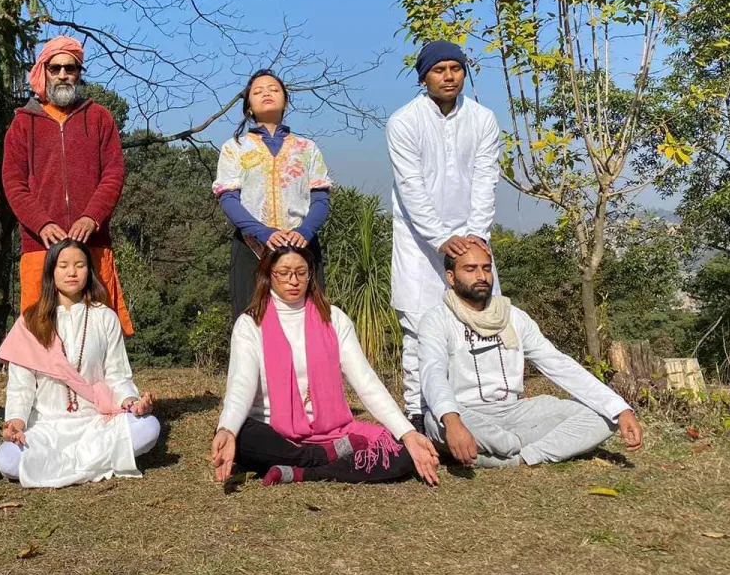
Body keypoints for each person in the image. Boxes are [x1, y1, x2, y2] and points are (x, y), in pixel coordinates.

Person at [210, 245, 441, 486]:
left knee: (402, 455)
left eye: (301, 272)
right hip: (274, 432)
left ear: (310, 276)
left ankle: (304, 471)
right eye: (284, 272)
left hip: (333, 433)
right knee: (245, 437)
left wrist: (407, 432)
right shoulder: (250, 324)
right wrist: (227, 429)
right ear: (269, 275)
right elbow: (241, 385)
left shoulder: (333, 318)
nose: (294, 280)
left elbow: (366, 381)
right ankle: (322, 457)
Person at [418, 240, 643, 468]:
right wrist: (453, 422)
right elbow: (432, 373)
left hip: (516, 412)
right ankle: (508, 446)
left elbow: (557, 363)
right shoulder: (437, 320)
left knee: (604, 417)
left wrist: (619, 408)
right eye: (470, 269)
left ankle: (520, 456)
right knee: (435, 422)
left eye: (486, 268)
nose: (481, 276)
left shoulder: (514, 317)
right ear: (450, 277)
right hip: (466, 413)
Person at [387, 40, 501, 428]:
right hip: (420, 242)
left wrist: (475, 235)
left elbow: (487, 178)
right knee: (419, 327)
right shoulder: (404, 121)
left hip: (472, 240)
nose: (449, 76)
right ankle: (418, 415)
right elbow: (410, 185)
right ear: (424, 77)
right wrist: (439, 238)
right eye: (439, 69)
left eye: (456, 68)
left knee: (479, 320)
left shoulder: (483, 119)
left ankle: (476, 407)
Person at [0, 238, 159, 488]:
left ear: (89, 271)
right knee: (6, 459)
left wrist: (132, 403)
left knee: (148, 427)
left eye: (80, 265)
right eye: (63, 266)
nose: (72, 272)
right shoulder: (30, 322)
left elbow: (117, 375)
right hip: (48, 425)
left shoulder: (105, 317)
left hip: (96, 422)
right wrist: (16, 422)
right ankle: (94, 463)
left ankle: (57, 466)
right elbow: (21, 387)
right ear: (51, 271)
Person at [2, 36, 134, 335]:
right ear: (43, 71)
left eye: (70, 68)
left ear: (79, 73)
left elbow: (113, 174)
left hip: (92, 241)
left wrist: (92, 217)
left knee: (99, 327)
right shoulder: (23, 124)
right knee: (40, 328)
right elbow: (13, 182)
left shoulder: (100, 118)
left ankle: (99, 384)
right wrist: (41, 223)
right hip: (40, 243)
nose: (63, 75)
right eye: (55, 68)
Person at [213, 70, 333, 319]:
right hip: (251, 247)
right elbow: (228, 198)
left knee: (309, 321)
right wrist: (263, 232)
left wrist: (305, 232)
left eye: (274, 89)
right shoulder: (234, 147)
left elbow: (320, 197)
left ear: (286, 101)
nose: (266, 93)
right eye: (257, 92)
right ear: (248, 108)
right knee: (252, 323)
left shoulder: (307, 148)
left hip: (303, 246)